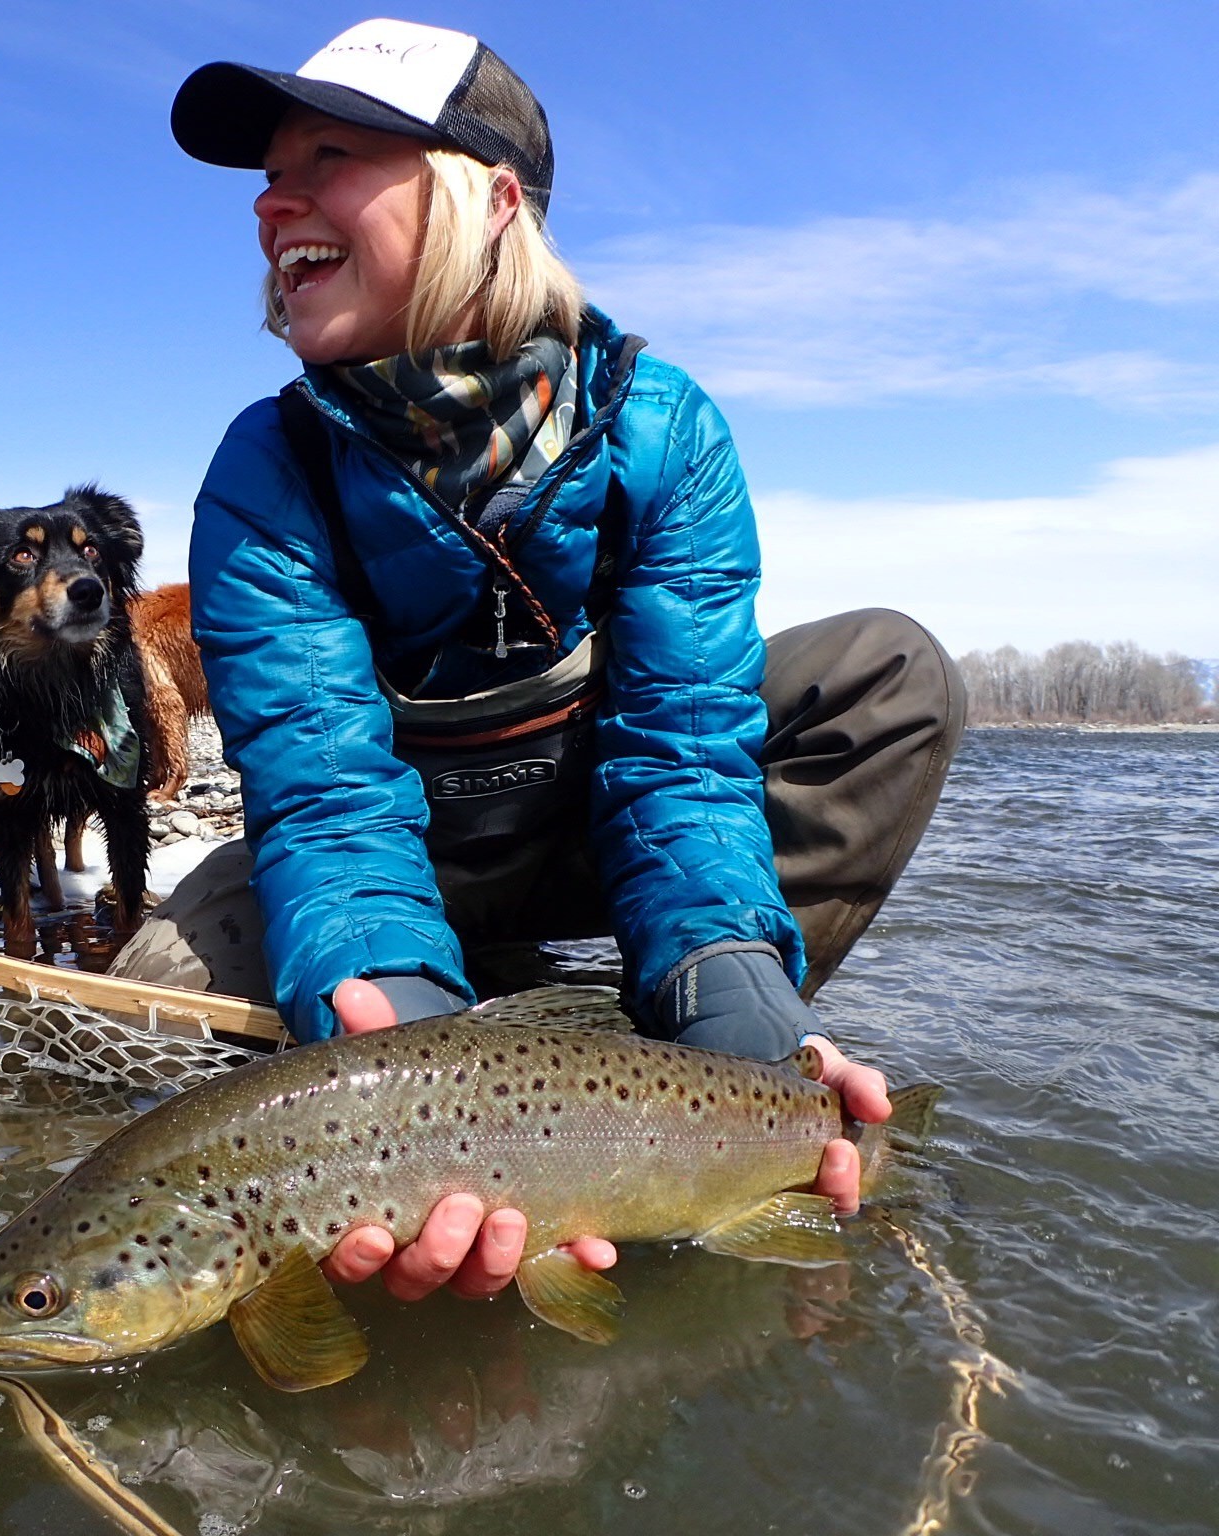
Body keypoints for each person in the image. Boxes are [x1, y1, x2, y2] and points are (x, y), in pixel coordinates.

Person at [111, 21, 965, 1301]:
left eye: (329, 156)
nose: (270, 202)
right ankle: (517, 1050)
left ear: (490, 201)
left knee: (890, 674)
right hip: (408, 859)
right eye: (267, 177)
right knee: (154, 1009)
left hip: (595, 835)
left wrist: (747, 1022)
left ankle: (686, 1031)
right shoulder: (264, 471)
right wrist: (409, 1080)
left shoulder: (660, 428)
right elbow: (329, 798)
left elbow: (680, 758)